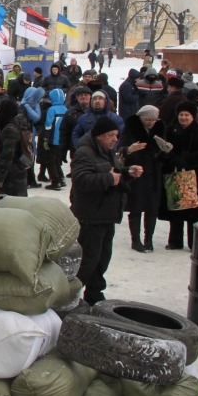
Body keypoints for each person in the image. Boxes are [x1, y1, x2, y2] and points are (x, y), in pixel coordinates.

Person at [71, 116, 143, 304]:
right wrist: (109, 179)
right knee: (87, 262)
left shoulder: (107, 150)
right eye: (110, 135)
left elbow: (114, 172)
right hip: (90, 216)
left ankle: (95, 295)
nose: (114, 139)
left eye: (116, 135)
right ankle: (69, 298)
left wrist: (127, 172)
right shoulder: (85, 152)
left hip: (107, 214)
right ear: (99, 136)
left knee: (102, 260)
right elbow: (81, 180)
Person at [158, 102, 198, 250]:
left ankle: (193, 242)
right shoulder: (170, 131)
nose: (183, 118)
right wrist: (172, 158)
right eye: (181, 114)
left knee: (194, 212)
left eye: (186, 115)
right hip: (174, 175)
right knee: (176, 209)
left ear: (192, 117)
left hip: (194, 177)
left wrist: (187, 161)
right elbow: (161, 151)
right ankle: (175, 241)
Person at [120, 106, 166, 252]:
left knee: (152, 207)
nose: (151, 122)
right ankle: (136, 240)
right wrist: (130, 149)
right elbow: (121, 149)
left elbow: (166, 152)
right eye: (148, 119)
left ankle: (149, 239)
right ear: (141, 118)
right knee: (136, 206)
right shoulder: (131, 128)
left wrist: (164, 151)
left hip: (154, 172)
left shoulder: (160, 128)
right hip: (136, 171)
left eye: (154, 119)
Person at [0, 99, 30, 197]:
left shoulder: (10, 129)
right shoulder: (20, 125)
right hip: (20, 171)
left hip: (11, 177)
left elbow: (7, 156)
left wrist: (0, 179)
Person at [42, 89, 69, 191]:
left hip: (53, 139)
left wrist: (45, 139)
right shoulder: (66, 109)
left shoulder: (52, 110)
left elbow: (48, 125)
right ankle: (61, 179)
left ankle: (55, 181)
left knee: (51, 161)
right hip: (62, 140)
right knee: (58, 160)